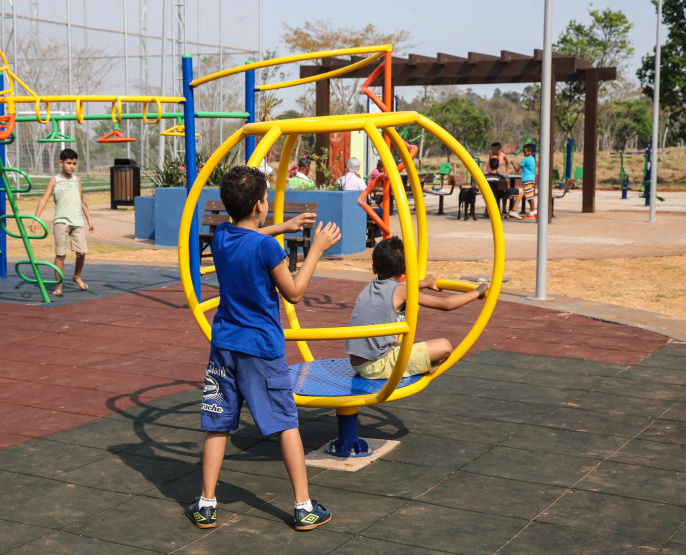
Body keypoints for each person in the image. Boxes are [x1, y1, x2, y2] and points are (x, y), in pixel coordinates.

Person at [187, 165, 341, 532]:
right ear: (260, 204)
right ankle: (303, 507)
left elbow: (248, 236)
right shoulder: (267, 248)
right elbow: (294, 292)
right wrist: (316, 250)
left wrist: (283, 227)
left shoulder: (221, 235)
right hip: (261, 349)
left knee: (218, 424)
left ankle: (206, 504)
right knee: (286, 423)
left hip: (224, 346)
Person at [345, 237, 488, 380]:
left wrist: (424, 283)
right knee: (444, 346)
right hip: (377, 366)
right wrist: (478, 291)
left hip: (357, 364)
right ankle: (419, 367)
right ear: (406, 269)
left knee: (403, 343)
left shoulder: (371, 286)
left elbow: (398, 288)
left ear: (374, 268)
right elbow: (446, 304)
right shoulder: (401, 292)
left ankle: (418, 364)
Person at [31, 148, 95, 296]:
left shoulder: (77, 180)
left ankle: (76, 276)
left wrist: (89, 220)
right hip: (61, 222)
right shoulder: (55, 180)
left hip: (77, 222)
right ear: (61, 163)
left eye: (74, 163)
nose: (72, 166)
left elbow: (82, 200)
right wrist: (36, 219)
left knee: (81, 253)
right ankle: (58, 285)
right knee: (61, 255)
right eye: (69, 163)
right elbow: (43, 200)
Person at [518, 143, 537, 219]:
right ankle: (534, 211)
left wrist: (513, 164)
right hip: (532, 179)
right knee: (530, 196)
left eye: (525, 151)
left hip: (526, 180)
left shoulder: (525, 160)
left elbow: (517, 169)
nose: (524, 153)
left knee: (530, 197)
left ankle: (531, 213)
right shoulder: (533, 159)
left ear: (530, 151)